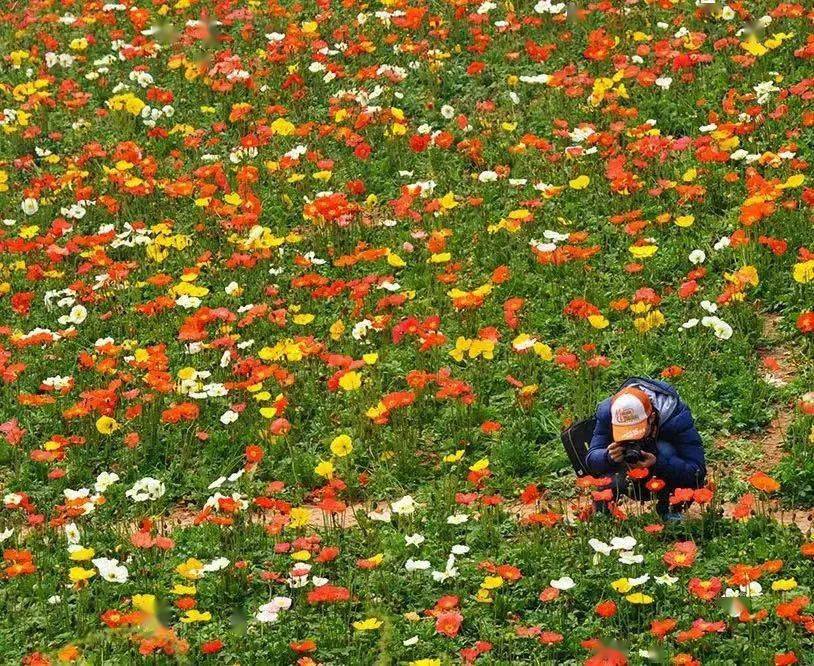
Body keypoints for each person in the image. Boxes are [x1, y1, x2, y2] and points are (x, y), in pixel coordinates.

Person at [585, 377, 706, 520]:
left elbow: (697, 471)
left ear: (652, 418)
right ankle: (603, 514)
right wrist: (608, 456)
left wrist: (658, 462)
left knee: (665, 449)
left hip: (663, 468)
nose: (634, 439)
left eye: (638, 431)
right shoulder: (609, 411)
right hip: (625, 473)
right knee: (603, 465)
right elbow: (591, 459)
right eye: (625, 434)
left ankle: (670, 510)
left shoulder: (677, 417)